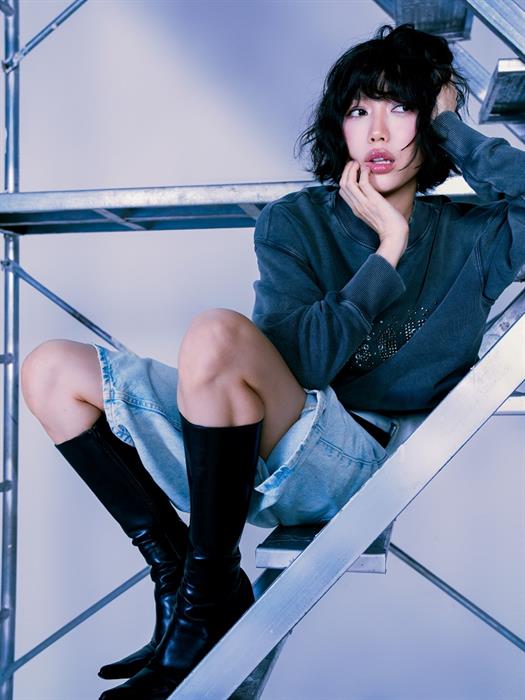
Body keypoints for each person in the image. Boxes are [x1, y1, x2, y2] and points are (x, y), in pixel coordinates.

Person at [20, 21, 524, 700]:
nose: (376, 132)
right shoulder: (294, 221)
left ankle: (202, 608)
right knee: (51, 368)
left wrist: (438, 156)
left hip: (349, 463)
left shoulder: (475, 239)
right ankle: (186, 581)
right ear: (338, 127)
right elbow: (299, 361)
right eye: (358, 111)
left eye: (401, 109)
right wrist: (383, 256)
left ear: (429, 122)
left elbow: (301, 378)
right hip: (237, 458)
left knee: (215, 332)